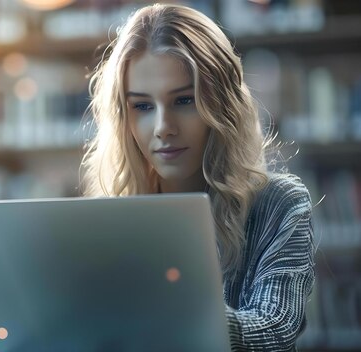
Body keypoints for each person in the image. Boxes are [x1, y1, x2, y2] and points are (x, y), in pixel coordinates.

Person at [81, 3, 315, 351]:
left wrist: (168, 315)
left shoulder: (280, 205)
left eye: (184, 100)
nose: (163, 128)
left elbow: (275, 329)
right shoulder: (108, 217)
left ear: (221, 105)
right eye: (142, 106)